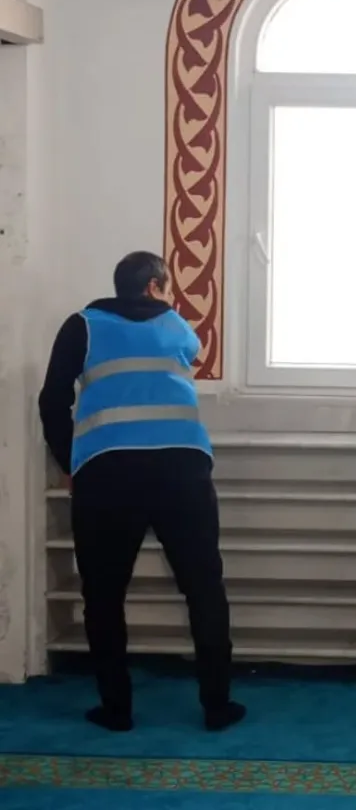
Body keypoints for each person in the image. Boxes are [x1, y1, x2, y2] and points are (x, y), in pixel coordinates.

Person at [39, 251, 245, 732]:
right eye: (168, 287)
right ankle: (217, 706)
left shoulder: (81, 326)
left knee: (104, 595)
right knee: (203, 588)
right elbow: (192, 356)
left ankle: (116, 710)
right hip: (183, 470)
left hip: (107, 474)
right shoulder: (178, 327)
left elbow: (52, 400)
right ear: (154, 286)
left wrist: (71, 461)